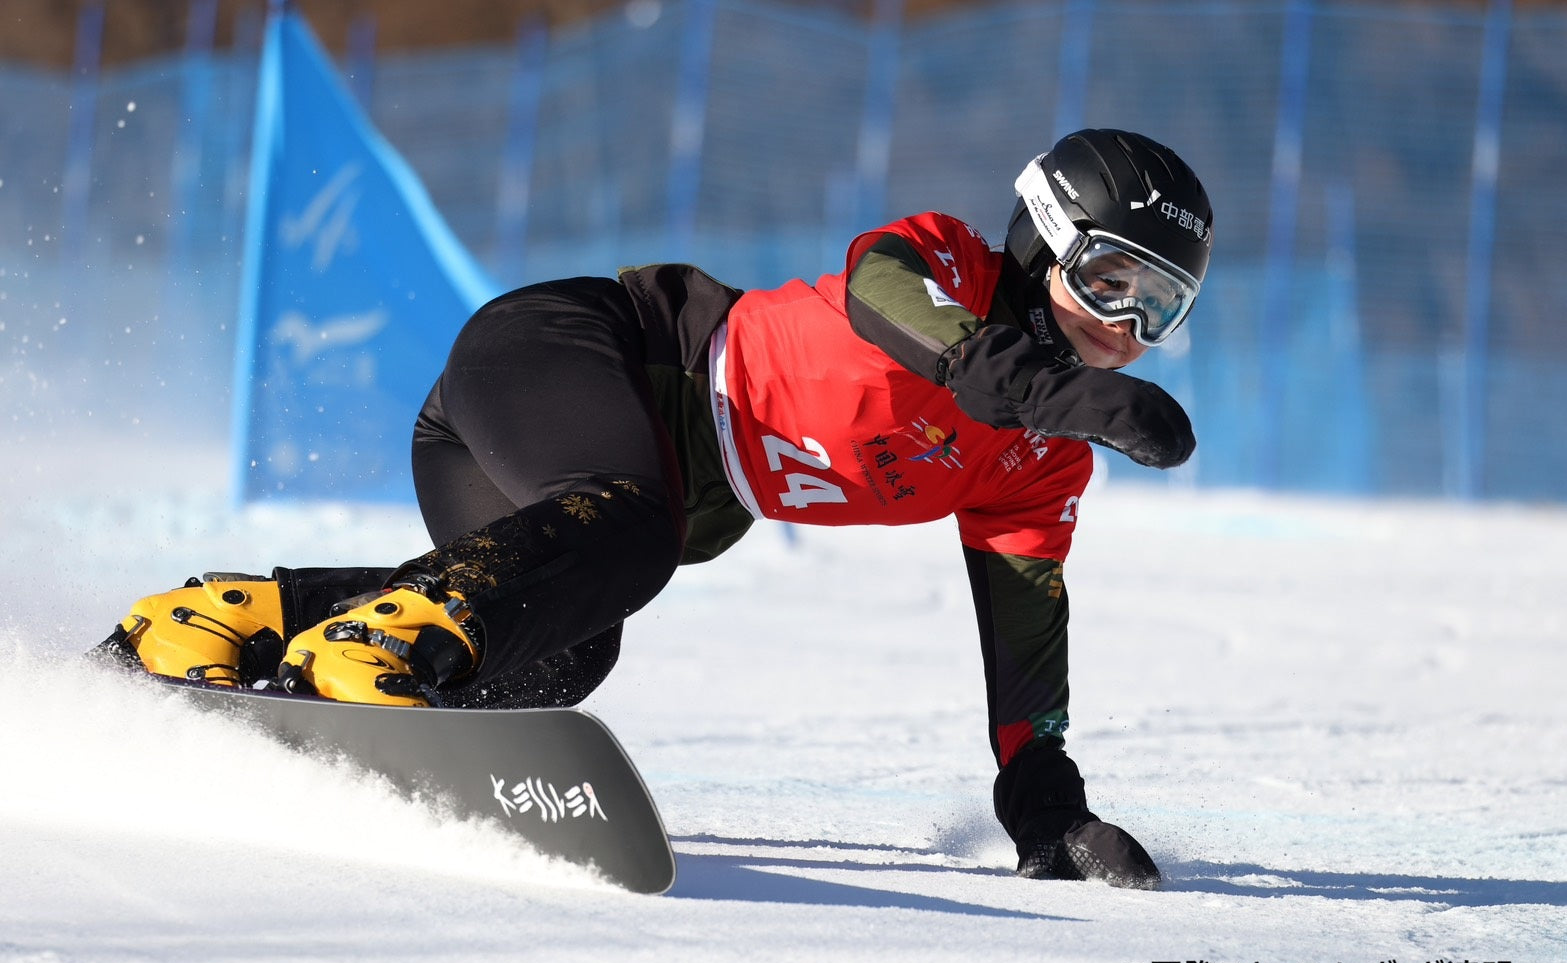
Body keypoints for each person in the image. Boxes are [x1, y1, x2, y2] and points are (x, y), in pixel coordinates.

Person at [100, 128, 1213, 890]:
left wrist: (1044, 805)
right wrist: (1060, 389)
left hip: (570, 483)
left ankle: (234, 616)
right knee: (634, 531)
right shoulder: (944, 262)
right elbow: (894, 309)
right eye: (1112, 281)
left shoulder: (1037, 465)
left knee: (560, 658)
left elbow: (1026, 639)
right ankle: (367, 653)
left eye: (1160, 308)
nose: (1126, 326)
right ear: (1044, 241)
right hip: (573, 353)